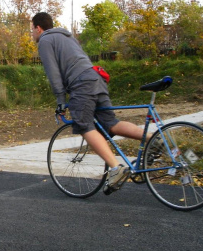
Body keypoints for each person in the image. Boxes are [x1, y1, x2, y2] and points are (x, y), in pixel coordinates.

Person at [31, 12, 149, 194]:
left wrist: (61, 101)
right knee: (111, 123)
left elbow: (53, 74)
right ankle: (152, 139)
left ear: (38, 28)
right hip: (96, 78)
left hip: (81, 83)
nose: (32, 34)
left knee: (83, 125)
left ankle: (116, 168)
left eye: (32, 30)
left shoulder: (46, 41)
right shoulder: (67, 37)